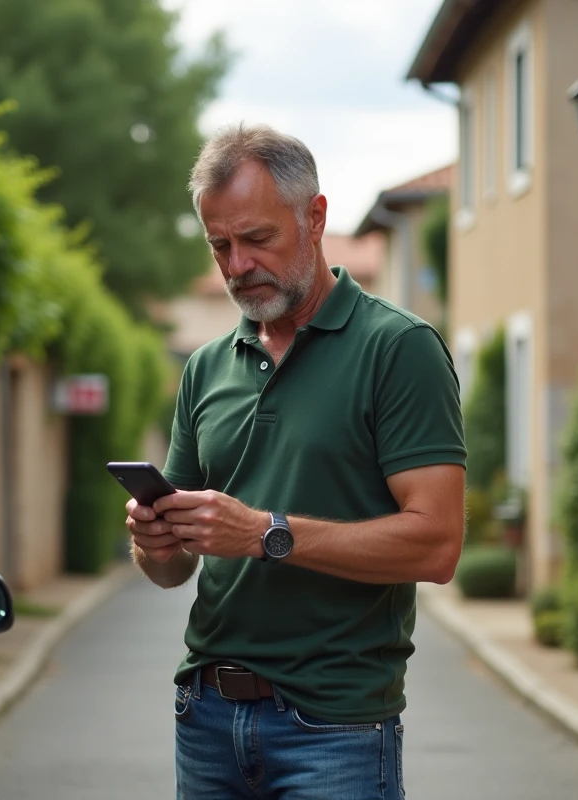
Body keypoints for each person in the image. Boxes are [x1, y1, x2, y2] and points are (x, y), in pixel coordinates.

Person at [125, 123, 467, 800]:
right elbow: (173, 570)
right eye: (220, 245)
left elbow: (437, 545)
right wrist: (152, 540)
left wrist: (261, 533)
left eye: (257, 239)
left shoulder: (398, 350)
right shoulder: (204, 369)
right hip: (206, 717)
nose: (236, 265)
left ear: (315, 218)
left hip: (335, 729)